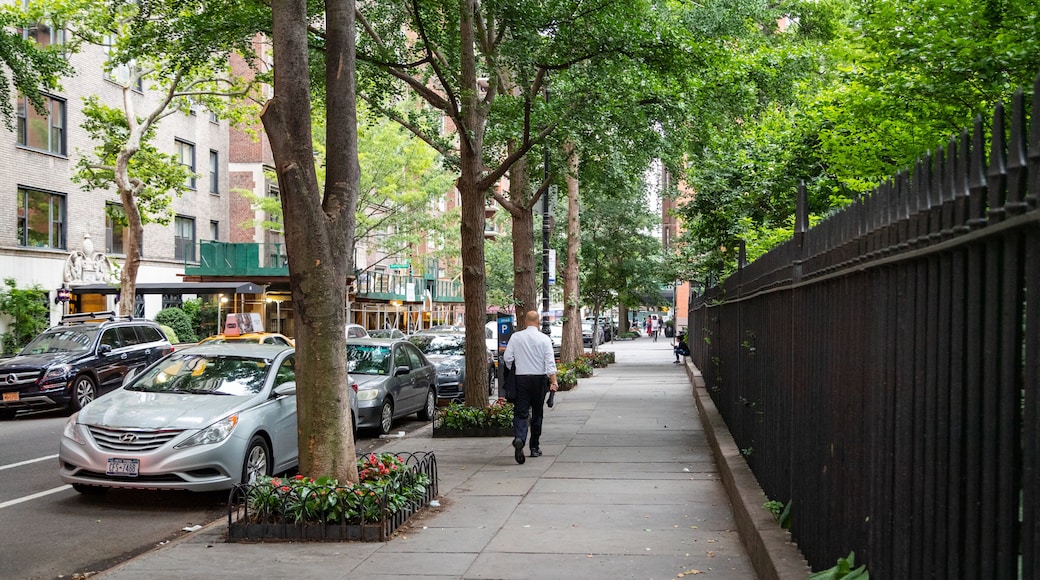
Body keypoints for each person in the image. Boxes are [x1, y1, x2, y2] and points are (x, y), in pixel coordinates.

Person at [503, 310, 558, 464]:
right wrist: (553, 381)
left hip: (521, 379)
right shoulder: (544, 339)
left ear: (526, 321)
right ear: (538, 321)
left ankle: (520, 438)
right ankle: (534, 447)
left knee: (521, 413)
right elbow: (550, 363)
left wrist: (515, 368)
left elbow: (507, 358)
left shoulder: (516, 337)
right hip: (539, 379)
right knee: (537, 413)